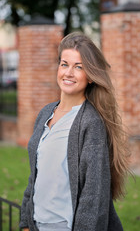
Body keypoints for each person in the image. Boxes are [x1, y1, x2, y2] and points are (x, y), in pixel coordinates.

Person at [20, 32, 130, 231]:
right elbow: (36, 175)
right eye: (64, 64)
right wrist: (26, 224)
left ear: (90, 76)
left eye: (78, 67)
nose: (68, 73)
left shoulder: (90, 122)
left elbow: (93, 196)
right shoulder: (46, 113)